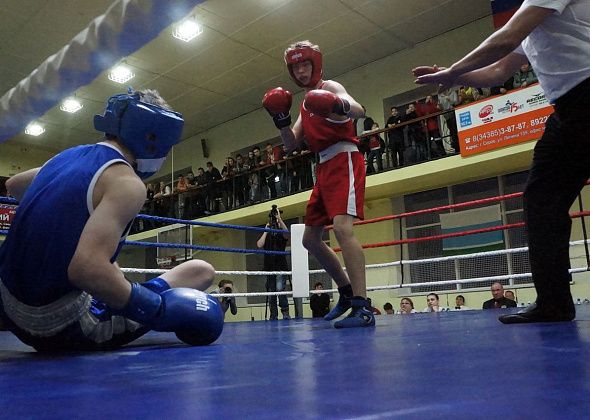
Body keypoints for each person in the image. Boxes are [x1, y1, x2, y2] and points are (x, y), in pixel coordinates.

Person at [0, 90, 223, 351]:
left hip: (7, 301)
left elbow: (15, 186)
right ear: (154, 138)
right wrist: (158, 311)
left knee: (200, 271)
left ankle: (141, 293)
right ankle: (152, 299)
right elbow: (87, 270)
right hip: (57, 324)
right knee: (181, 296)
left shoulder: (66, 157)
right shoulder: (127, 183)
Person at [413, 1, 588, 324]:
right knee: (541, 201)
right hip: (567, 110)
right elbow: (498, 71)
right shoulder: (532, 18)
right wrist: (455, 77)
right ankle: (554, 302)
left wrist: (454, 69)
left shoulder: (537, 8)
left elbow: (505, 38)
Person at [262, 40, 374, 328]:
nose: (301, 72)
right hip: (323, 167)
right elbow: (290, 144)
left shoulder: (330, 87)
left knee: (341, 228)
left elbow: (359, 109)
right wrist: (281, 119)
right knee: (309, 239)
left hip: (344, 158)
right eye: (295, 67)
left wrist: (338, 104)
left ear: (315, 64)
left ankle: (363, 306)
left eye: (305, 65)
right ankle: (347, 292)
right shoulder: (306, 103)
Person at [256, 205, 291, 320]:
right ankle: (273, 315)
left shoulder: (281, 233)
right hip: (269, 267)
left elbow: (287, 234)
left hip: (280, 265)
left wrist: (280, 219)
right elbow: (259, 244)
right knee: (271, 291)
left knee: (280, 289)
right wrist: (266, 230)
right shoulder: (268, 233)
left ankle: (285, 313)